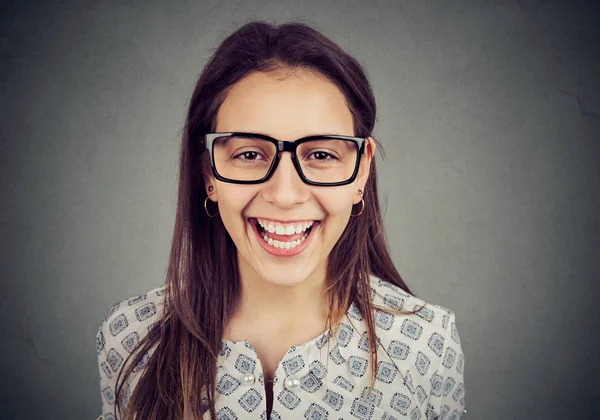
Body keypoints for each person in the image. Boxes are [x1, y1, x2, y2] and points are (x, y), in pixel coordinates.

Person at [96, 20, 466, 420]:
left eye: (321, 155)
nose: (285, 195)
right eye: (250, 154)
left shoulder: (427, 345)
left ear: (361, 172)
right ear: (208, 174)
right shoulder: (131, 338)